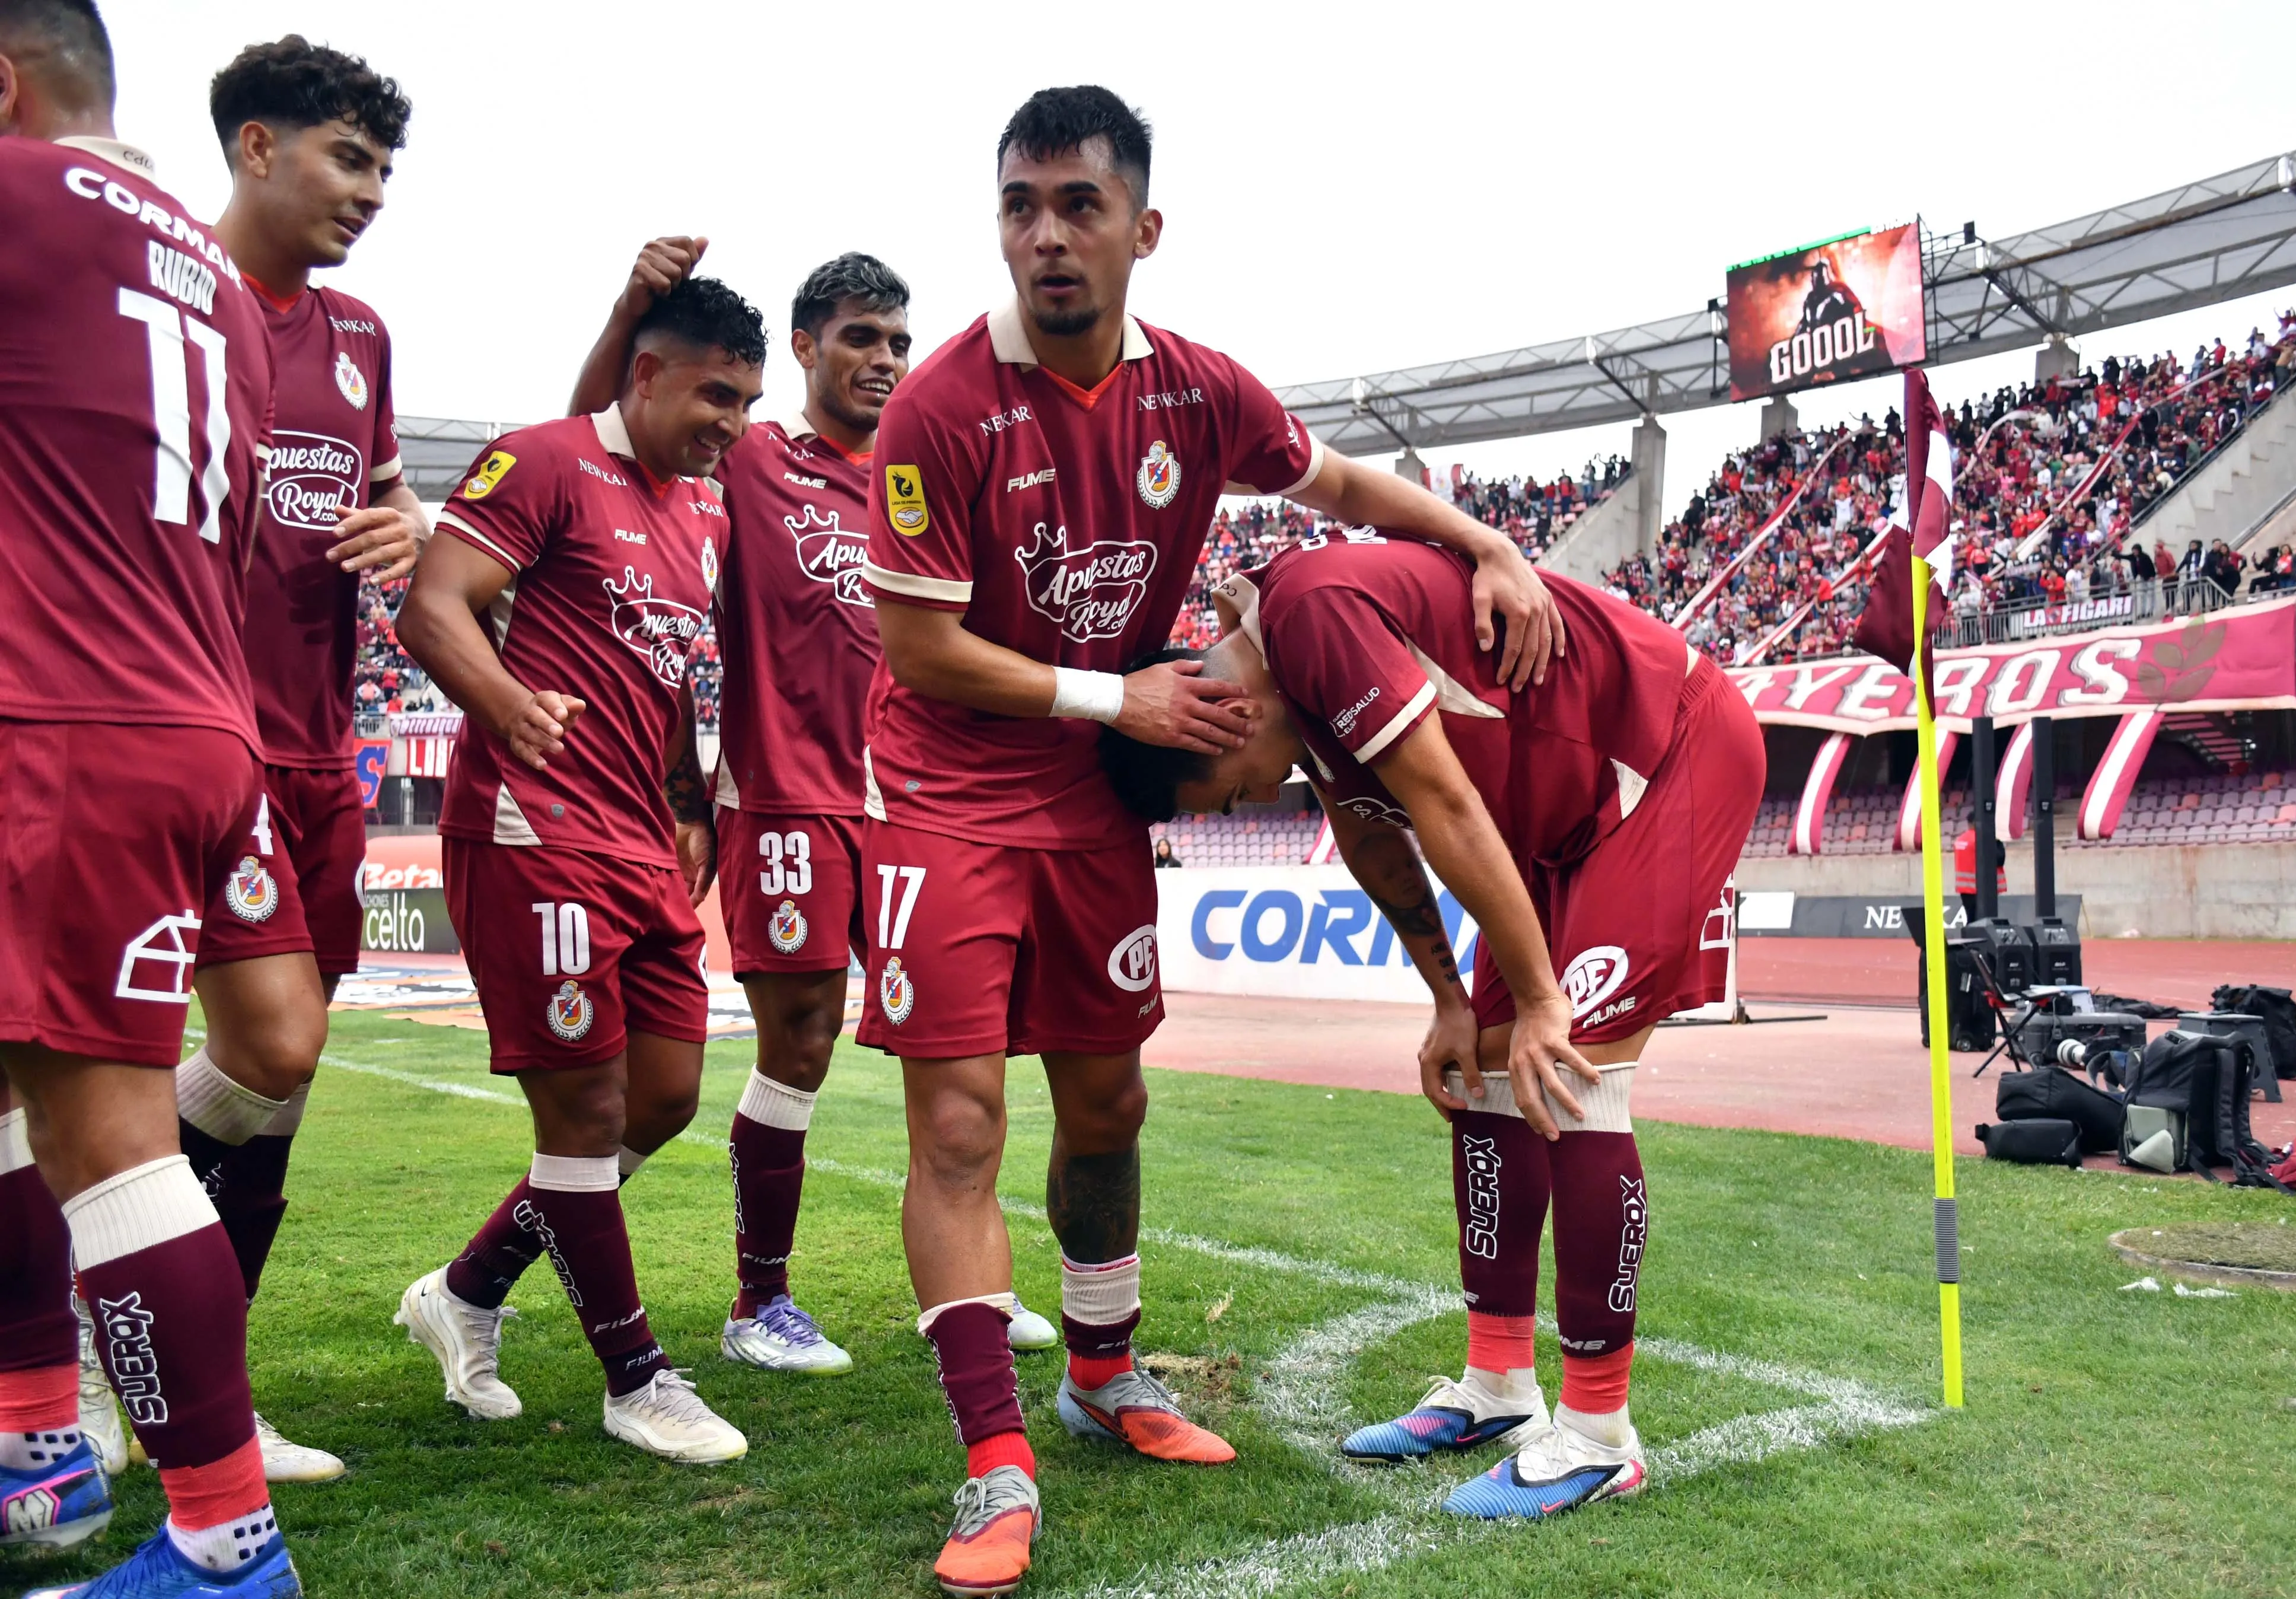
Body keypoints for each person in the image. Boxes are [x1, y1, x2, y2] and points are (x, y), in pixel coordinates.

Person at [858, 85, 1561, 1596]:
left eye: (1078, 206)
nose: (1046, 237)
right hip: (945, 796)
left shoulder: (1197, 392)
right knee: (964, 1127)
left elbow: (1345, 484)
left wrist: (1487, 542)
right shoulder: (937, 410)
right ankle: (994, 1460)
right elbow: (916, 653)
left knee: (1105, 1103)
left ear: (1141, 229)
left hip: (1099, 805)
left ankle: (1103, 1373)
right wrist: (1118, 688)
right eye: (1019, 207)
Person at [1096, 533, 1764, 1520]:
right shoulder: (1286, 673)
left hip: (1666, 759)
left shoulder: (1311, 619)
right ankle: (1499, 1385)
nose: (1258, 797)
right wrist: (1453, 1002)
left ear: (1219, 720)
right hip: (1546, 832)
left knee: (1573, 1075)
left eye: (1234, 787)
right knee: (1483, 1080)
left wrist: (1542, 1003)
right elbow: (1370, 833)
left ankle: (1598, 1434)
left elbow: (1443, 799)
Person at [562, 241, 1058, 1374]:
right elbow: (596, 438)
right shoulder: (751, 460)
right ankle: (759, 1305)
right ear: (804, 347)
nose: (883, 360)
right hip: (785, 792)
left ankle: (983, 1277)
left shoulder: (916, 475)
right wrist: (634, 309)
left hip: (916, 803)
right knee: (800, 1044)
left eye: (897, 340)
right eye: (859, 339)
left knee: (965, 1040)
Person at [0, 2, 303, 1591]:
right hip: (186, 712)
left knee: (106, 1130)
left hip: (63, 717)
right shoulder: (211, 280)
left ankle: (222, 1545)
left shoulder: (16, 198)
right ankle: (40, 1442)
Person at [388, 276, 766, 1464]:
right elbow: (431, 603)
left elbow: (660, 689)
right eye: (716, 393)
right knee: (585, 1109)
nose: (732, 423)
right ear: (644, 374)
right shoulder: (543, 461)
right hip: (529, 828)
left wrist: (687, 802)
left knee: (663, 1100)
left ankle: (463, 1290)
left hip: (639, 841)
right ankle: (635, 1376)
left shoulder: (700, 513)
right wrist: (504, 705)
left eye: (749, 403)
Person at [126, 34, 424, 1490]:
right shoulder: (158, 287)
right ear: (254, 146)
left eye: (383, 168)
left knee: (280, 1072)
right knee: (93, 1065)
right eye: (346, 159)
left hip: (311, 749)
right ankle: (103, 1359)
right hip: (163, 722)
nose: (369, 192)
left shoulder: (361, 334)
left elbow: (375, 491)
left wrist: (405, 521)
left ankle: (193, 1379)